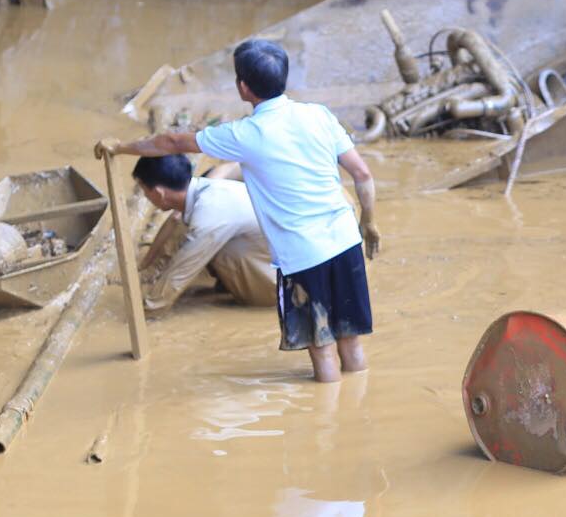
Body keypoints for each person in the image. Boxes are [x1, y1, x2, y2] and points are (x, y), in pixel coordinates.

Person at [98, 38, 381, 382]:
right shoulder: (317, 114)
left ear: (243, 87)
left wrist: (122, 147)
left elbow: (172, 142)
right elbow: (362, 174)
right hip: (345, 240)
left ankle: (329, 426)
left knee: (321, 348)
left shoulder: (245, 134)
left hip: (304, 256)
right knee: (350, 342)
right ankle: (358, 410)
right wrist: (368, 222)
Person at [130, 156, 276, 311]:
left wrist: (149, 310)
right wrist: (146, 265)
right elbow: (174, 221)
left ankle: (251, 296)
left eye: (144, 190)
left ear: (159, 193)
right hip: (273, 258)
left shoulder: (209, 213)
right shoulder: (206, 190)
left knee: (214, 250)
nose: (145, 196)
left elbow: (180, 273)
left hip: (279, 287)